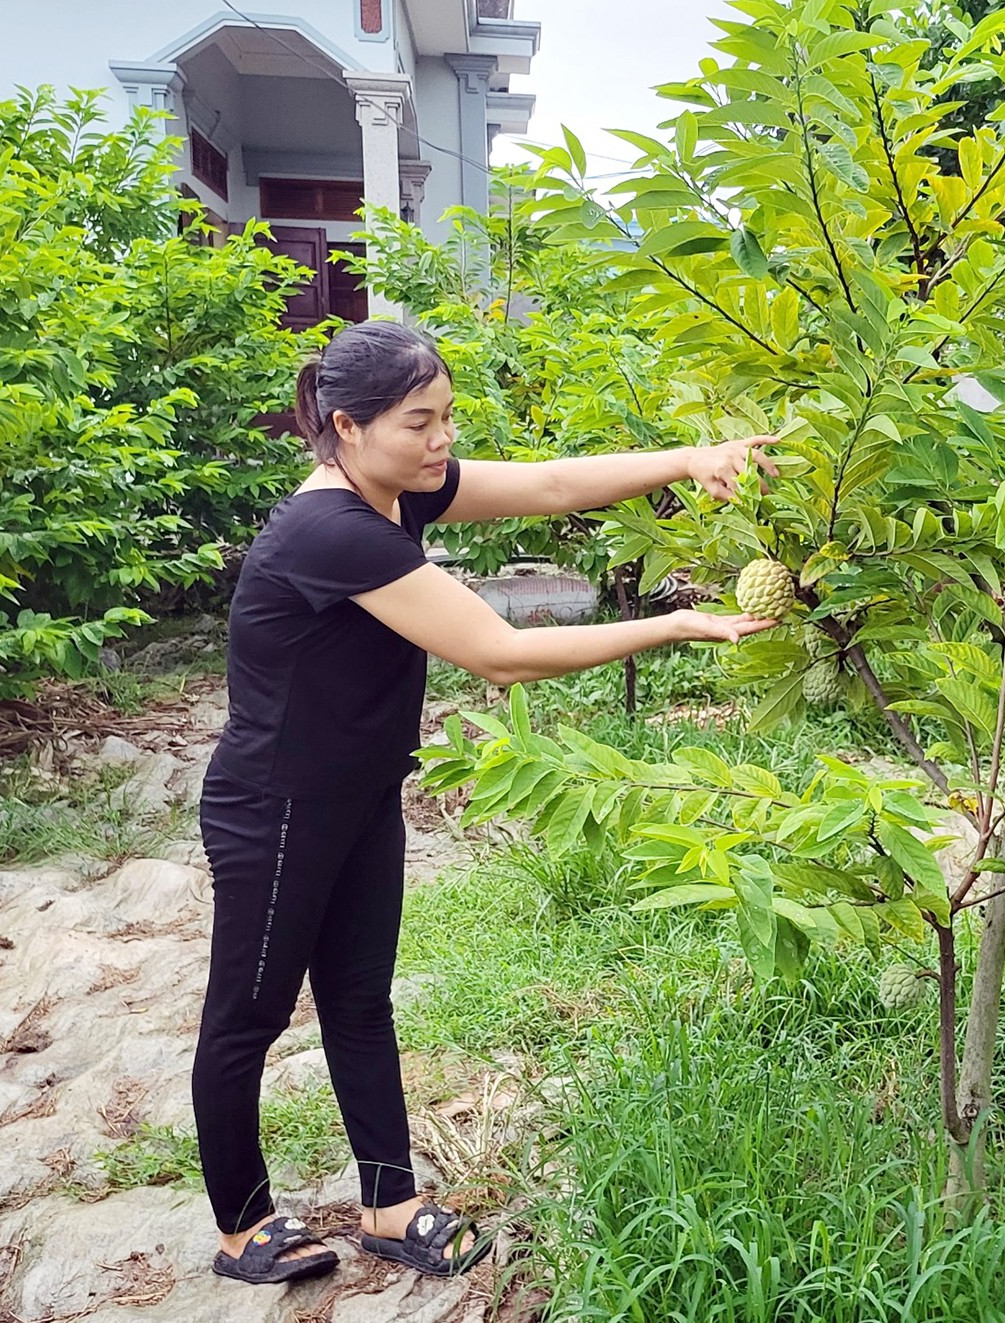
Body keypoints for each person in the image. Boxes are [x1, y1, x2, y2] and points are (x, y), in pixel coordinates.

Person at [195, 320, 780, 1284]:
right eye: (420, 422)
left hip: (362, 794)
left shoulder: (395, 494)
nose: (442, 442)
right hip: (278, 808)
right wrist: (675, 623)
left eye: (448, 419)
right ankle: (241, 1223)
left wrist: (693, 455)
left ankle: (392, 1201)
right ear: (347, 425)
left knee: (358, 999)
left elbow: (551, 482)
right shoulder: (329, 530)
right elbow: (495, 652)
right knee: (247, 1017)